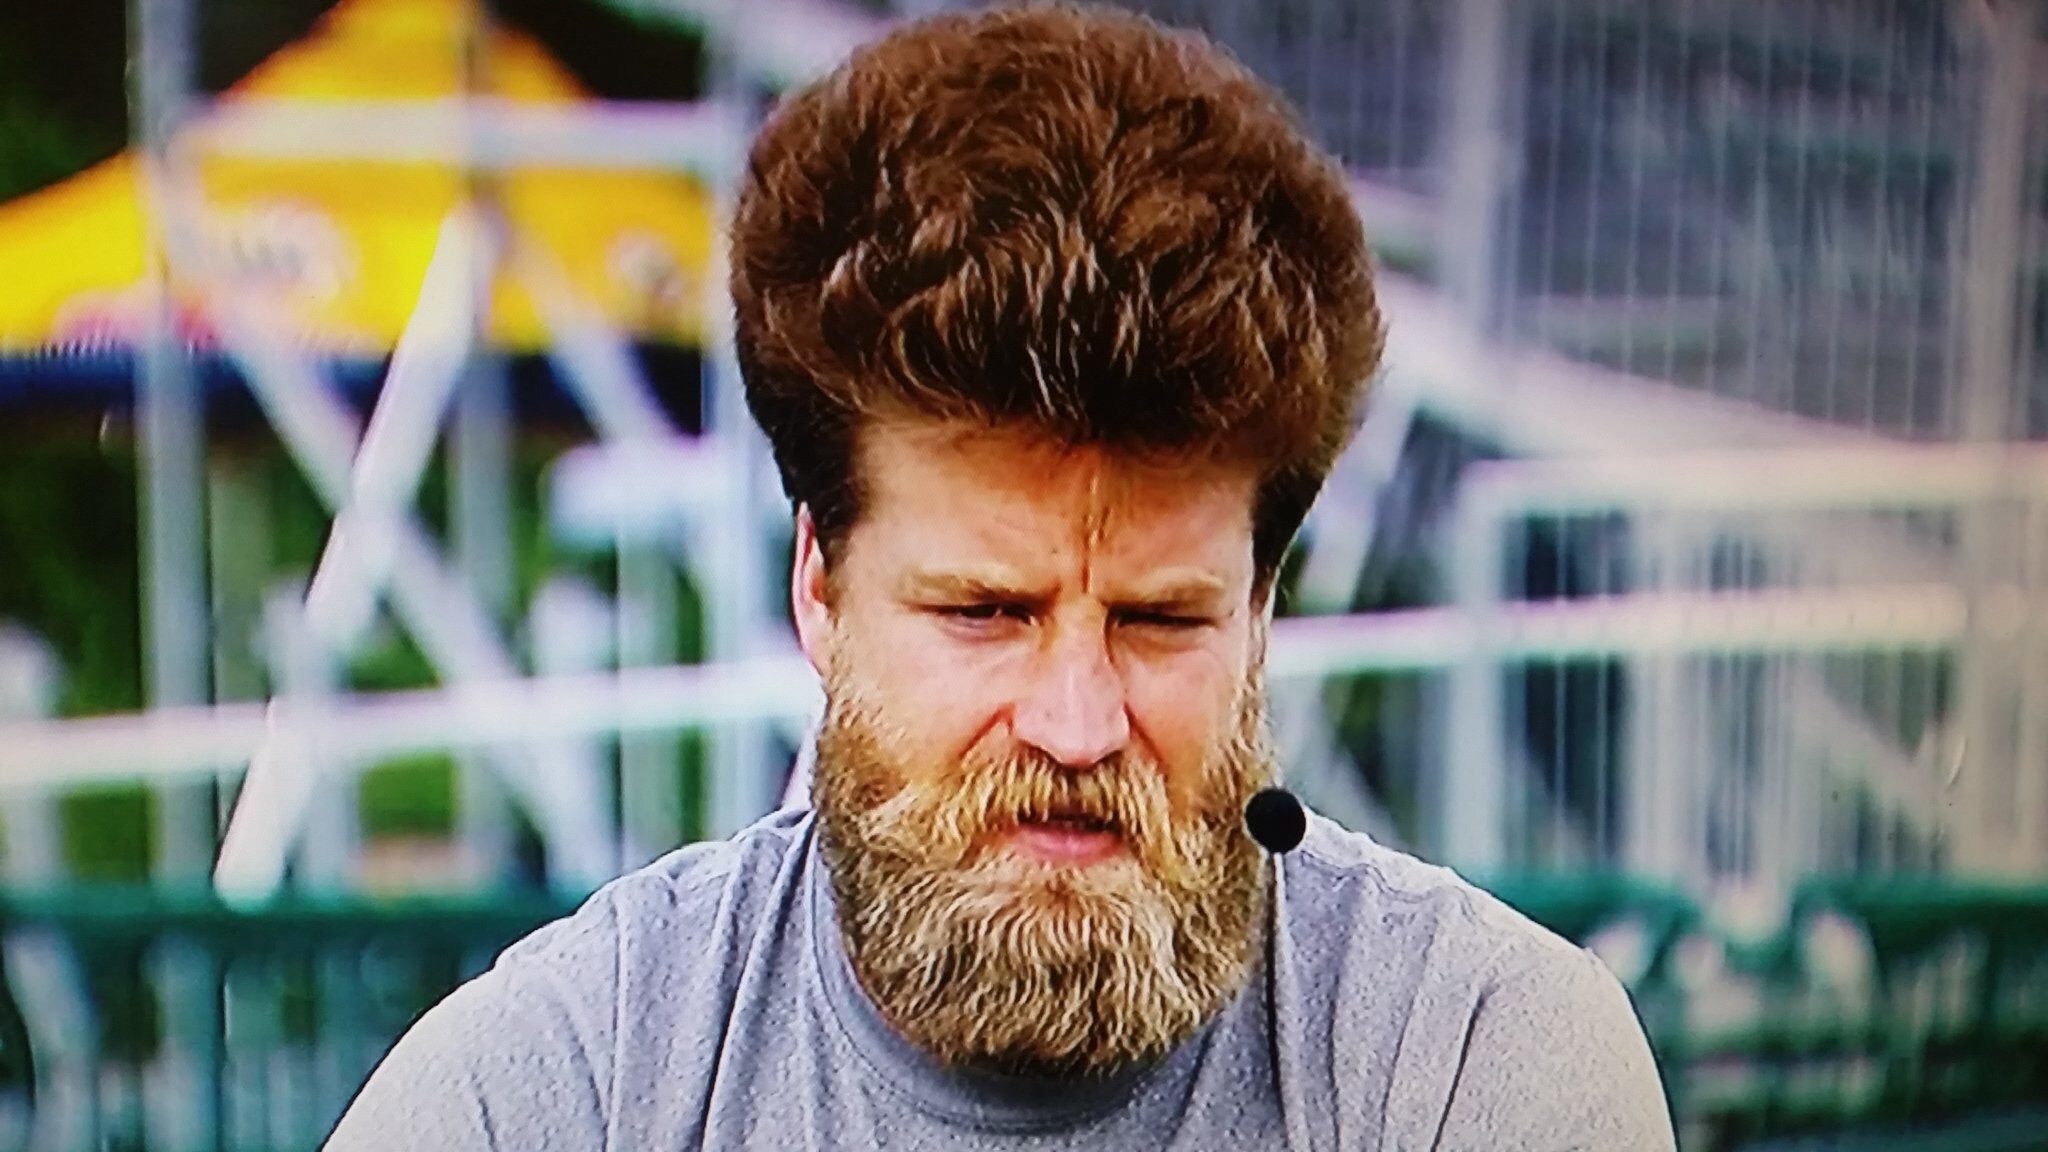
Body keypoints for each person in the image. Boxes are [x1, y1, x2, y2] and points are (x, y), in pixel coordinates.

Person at [326, 6, 1675, 1149]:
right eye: (985, 612)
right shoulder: (565, 1085)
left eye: (1161, 619)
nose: (1077, 724)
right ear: (819, 588)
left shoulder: (1472, 1061)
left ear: (1260, 617)